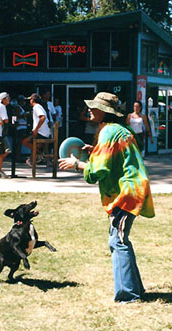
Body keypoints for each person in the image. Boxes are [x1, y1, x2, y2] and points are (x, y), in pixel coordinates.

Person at [59, 92, 155, 304]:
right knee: (120, 239)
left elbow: (99, 170)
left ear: (105, 111)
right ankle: (135, 290)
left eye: (94, 107)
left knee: (118, 241)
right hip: (132, 191)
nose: (91, 110)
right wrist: (96, 151)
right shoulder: (120, 130)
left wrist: (77, 164)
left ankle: (128, 296)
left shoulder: (108, 131)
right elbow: (118, 155)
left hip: (126, 193)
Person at [22, 93, 50, 167]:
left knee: (25, 141)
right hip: (45, 132)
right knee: (37, 146)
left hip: (40, 132)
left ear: (32, 100)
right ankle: (35, 157)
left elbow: (42, 117)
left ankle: (40, 154)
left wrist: (36, 130)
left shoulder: (36, 107)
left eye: (30, 99)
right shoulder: (40, 107)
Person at [14, 95, 29, 162]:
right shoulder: (17, 107)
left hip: (23, 126)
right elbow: (16, 116)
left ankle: (18, 155)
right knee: (19, 142)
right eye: (23, 100)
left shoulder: (21, 107)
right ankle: (17, 157)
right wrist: (24, 115)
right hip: (20, 127)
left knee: (20, 142)